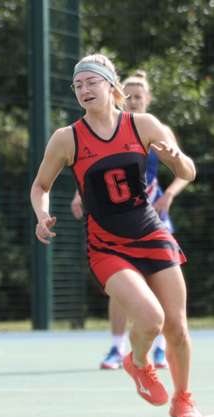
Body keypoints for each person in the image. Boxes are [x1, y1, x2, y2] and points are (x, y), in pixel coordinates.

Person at [31, 53, 201, 417]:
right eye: (77, 85)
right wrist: (41, 214)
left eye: (91, 82)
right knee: (151, 317)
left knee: (177, 324)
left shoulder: (143, 124)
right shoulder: (67, 138)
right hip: (106, 243)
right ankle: (137, 363)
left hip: (151, 232)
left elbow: (189, 170)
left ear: (111, 85)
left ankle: (183, 399)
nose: (84, 90)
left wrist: (176, 159)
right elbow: (40, 185)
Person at [69, 70, 190, 371]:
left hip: (151, 214)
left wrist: (170, 194)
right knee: (124, 285)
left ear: (147, 99)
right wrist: (77, 195)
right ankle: (117, 346)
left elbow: (184, 167)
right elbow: (92, 169)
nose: (134, 101)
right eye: (130, 96)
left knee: (161, 287)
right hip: (113, 220)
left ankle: (160, 347)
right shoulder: (105, 129)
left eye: (139, 97)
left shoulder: (152, 128)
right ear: (119, 93)